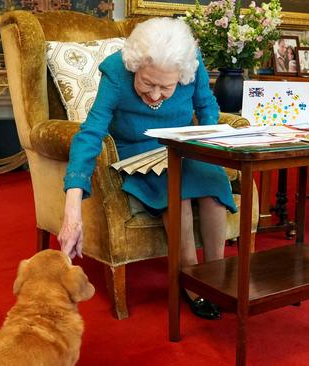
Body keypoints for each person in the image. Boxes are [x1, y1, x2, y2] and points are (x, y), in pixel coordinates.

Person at [58, 17, 235, 321]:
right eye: (147, 83)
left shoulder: (192, 63)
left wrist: (210, 148)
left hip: (184, 145)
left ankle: (214, 275)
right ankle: (191, 281)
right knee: (176, 195)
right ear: (135, 66)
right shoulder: (116, 70)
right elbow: (91, 133)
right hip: (137, 151)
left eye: (166, 87)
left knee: (214, 191)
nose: (155, 95)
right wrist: (72, 206)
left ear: (182, 74)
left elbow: (207, 110)